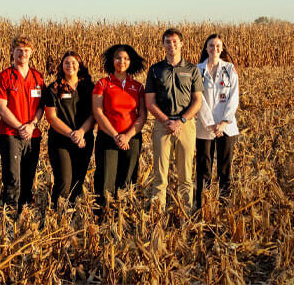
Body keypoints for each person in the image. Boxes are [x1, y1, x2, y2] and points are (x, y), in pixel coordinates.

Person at [144, 28, 203, 214]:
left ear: (182, 43)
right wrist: (166, 121)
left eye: (175, 41)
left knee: (185, 175)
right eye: (168, 42)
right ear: (163, 45)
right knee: (160, 175)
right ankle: (157, 214)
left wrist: (181, 120)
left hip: (186, 125)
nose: (172, 45)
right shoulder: (155, 70)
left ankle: (186, 213)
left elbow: (197, 101)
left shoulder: (192, 70)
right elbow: (149, 102)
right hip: (162, 126)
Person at [91, 43, 147, 219]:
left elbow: (142, 115)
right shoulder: (103, 83)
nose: (121, 61)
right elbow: (98, 112)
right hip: (108, 138)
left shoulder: (137, 87)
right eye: (118, 58)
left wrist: (127, 136)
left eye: (126, 59)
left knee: (128, 178)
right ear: (111, 60)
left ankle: (124, 217)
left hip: (132, 139)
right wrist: (116, 136)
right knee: (106, 177)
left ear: (131, 62)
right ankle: (103, 217)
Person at [0, 35, 45, 211]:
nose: (23, 54)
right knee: (13, 176)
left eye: (26, 51)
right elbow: (1, 107)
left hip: (32, 134)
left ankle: (26, 209)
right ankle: (10, 210)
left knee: (29, 174)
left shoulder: (38, 78)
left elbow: (41, 107)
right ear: (12, 52)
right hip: (10, 134)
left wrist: (32, 125)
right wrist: (20, 127)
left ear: (32, 53)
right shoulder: (5, 76)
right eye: (19, 50)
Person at [43, 51, 95, 207]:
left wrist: (80, 133)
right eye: (67, 63)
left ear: (79, 66)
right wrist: (72, 134)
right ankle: (57, 213)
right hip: (60, 141)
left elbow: (94, 114)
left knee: (78, 181)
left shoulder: (89, 87)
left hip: (84, 139)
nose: (70, 66)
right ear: (62, 66)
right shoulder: (53, 88)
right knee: (64, 181)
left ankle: (72, 217)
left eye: (74, 63)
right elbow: (52, 117)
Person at [194, 34, 240, 208]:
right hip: (205, 127)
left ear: (222, 48)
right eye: (211, 46)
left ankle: (224, 206)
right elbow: (198, 98)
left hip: (226, 127)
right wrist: (210, 123)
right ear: (206, 48)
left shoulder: (229, 69)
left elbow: (233, 97)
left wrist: (223, 123)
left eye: (218, 46)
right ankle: (202, 206)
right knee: (203, 169)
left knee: (224, 169)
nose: (214, 49)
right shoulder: (197, 70)